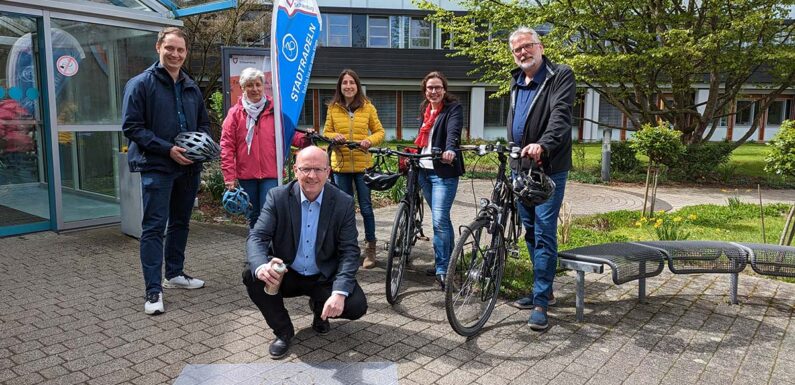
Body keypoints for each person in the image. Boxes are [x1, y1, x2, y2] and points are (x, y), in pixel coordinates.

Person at [243, 146, 368, 359]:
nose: (312, 176)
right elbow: (257, 236)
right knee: (251, 275)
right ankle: (283, 331)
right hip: (287, 273)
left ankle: (320, 309)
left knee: (356, 305)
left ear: (328, 172)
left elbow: (349, 251)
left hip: (322, 276)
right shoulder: (278, 197)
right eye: (306, 169)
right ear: (295, 170)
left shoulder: (343, 202)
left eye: (319, 170)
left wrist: (338, 293)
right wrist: (261, 266)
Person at [122, 27, 210, 315]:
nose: (175, 54)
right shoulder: (140, 84)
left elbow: (203, 124)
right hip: (157, 166)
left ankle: (174, 274)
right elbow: (132, 127)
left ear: (186, 53)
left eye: (180, 50)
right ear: (158, 46)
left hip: (188, 167)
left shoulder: (191, 85)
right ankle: (153, 291)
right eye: (169, 48)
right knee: (153, 228)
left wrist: (200, 149)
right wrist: (167, 149)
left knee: (181, 223)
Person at [504, 27, 576, 331]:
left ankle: (541, 303)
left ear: (540, 47)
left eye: (528, 46)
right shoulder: (516, 81)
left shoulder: (559, 75)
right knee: (530, 231)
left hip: (547, 167)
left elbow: (561, 115)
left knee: (545, 231)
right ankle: (542, 289)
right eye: (517, 49)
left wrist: (543, 144)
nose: (523, 52)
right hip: (519, 167)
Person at [220, 67, 311, 228]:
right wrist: (229, 177)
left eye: (258, 84)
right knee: (253, 217)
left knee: (268, 214)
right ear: (242, 88)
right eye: (249, 85)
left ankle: (269, 250)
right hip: (246, 176)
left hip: (271, 174)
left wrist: (307, 138)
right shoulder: (234, 114)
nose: (254, 89)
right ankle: (257, 251)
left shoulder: (275, 111)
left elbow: (290, 135)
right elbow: (227, 146)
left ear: (263, 86)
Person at [322, 69, 385, 269]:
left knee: (366, 208)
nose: (348, 86)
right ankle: (349, 249)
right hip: (340, 166)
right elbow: (326, 131)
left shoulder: (368, 107)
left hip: (362, 165)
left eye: (352, 82)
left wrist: (369, 140)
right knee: (344, 210)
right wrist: (334, 137)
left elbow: (379, 131)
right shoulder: (332, 107)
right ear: (340, 86)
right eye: (344, 83)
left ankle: (371, 249)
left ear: (357, 86)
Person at [415, 71, 464, 290]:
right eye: (430, 88)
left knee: (439, 220)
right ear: (425, 91)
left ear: (444, 89)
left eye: (437, 87)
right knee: (441, 221)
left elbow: (453, 131)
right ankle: (447, 262)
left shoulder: (453, 109)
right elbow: (423, 140)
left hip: (443, 172)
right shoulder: (425, 110)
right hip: (424, 171)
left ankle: (443, 270)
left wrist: (450, 149)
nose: (433, 91)